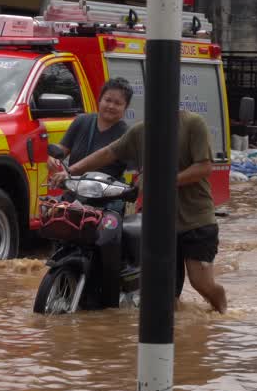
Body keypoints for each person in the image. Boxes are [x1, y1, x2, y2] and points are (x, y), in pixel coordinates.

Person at [54, 110, 227, 314]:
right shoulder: (141, 131)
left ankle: (222, 312)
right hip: (157, 223)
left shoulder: (193, 124)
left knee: (201, 283)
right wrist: (71, 171)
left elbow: (204, 167)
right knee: (163, 292)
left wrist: (165, 181)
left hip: (195, 220)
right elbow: (108, 153)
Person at [56, 78, 132, 181]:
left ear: (125, 107)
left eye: (118, 103)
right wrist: (53, 159)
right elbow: (61, 150)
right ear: (100, 100)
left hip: (107, 195)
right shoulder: (81, 121)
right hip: (74, 191)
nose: (111, 106)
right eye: (108, 100)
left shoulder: (127, 135)